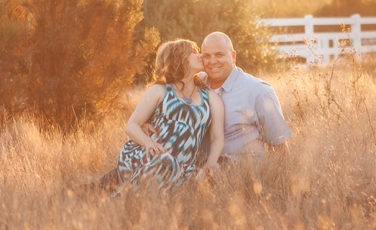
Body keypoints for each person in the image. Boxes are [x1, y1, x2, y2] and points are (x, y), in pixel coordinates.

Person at [103, 39, 225, 193]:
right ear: (179, 59)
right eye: (193, 53)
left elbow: (217, 137)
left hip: (181, 166)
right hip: (146, 156)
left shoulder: (212, 99)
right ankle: (120, 199)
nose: (200, 55)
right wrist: (148, 143)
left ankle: (122, 195)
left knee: (190, 179)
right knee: (162, 161)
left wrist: (211, 162)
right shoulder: (160, 91)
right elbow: (132, 125)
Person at [199, 31, 291, 162]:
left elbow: (280, 147)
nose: (212, 61)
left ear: (233, 56)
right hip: (197, 174)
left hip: (242, 174)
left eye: (219, 55)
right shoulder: (194, 86)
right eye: (206, 56)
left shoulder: (258, 91)